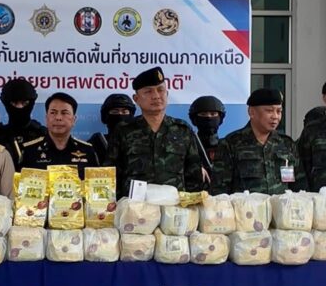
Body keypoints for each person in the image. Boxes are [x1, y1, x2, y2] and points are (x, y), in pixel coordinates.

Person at [105, 67, 205, 197]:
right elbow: (111, 174)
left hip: (174, 206)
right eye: (148, 92)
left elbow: (194, 176)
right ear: (136, 99)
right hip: (135, 206)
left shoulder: (182, 130)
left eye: (160, 90)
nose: (156, 96)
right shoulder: (123, 130)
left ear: (167, 94)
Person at [213, 88, 306, 195]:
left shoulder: (287, 144)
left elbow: (300, 187)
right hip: (245, 206)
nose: (275, 116)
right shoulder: (231, 144)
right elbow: (219, 192)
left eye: (279, 111)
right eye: (269, 111)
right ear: (252, 112)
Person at [19, 92, 100, 178]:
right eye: (53, 113)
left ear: (74, 120)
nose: (58, 118)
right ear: (46, 118)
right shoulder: (30, 151)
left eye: (64, 113)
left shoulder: (87, 151)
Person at [0, 77, 46, 164]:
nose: (20, 107)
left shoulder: (45, 136)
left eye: (24, 103)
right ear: (6, 103)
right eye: (14, 103)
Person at [88, 93, 136, 164]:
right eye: (115, 112)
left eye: (124, 112)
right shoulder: (96, 143)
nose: (120, 115)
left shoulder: (141, 142)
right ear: (105, 116)